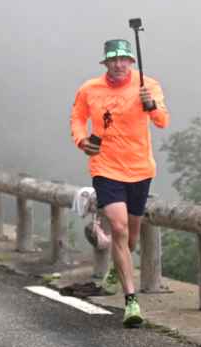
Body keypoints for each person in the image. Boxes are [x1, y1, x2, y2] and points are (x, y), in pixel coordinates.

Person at [70, 38, 170, 327]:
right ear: (106, 63)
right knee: (118, 226)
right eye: (113, 60)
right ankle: (131, 300)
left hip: (140, 168)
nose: (118, 64)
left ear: (130, 61)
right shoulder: (90, 89)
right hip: (105, 166)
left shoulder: (147, 85)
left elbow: (163, 120)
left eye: (123, 59)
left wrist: (151, 105)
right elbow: (77, 118)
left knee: (131, 237)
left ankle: (116, 266)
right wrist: (82, 140)